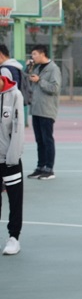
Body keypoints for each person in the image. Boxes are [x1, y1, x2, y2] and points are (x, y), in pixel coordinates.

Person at [28, 44, 61, 180]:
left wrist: (40, 80)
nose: (32, 57)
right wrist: (28, 69)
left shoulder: (53, 69)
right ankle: (40, 167)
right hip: (36, 109)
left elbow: (55, 88)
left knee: (47, 139)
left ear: (42, 54)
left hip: (46, 110)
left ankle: (49, 168)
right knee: (39, 140)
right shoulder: (36, 68)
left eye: (34, 54)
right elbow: (28, 82)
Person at [0, 74, 24, 256]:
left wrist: (12, 157)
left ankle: (14, 237)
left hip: (9, 159)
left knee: (15, 200)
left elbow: (18, 127)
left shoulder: (14, 95)